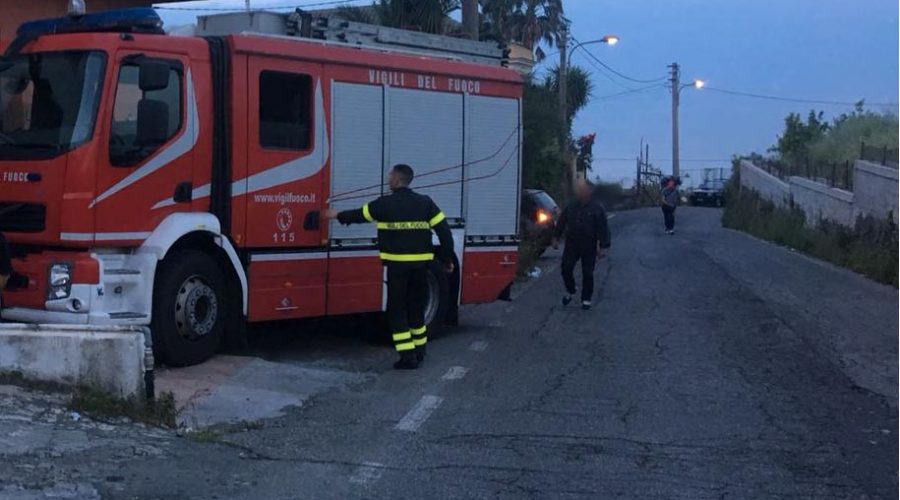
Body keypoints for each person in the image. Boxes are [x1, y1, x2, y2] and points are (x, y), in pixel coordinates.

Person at [324, 164, 454, 370]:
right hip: (422, 266)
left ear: (396, 179)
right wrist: (447, 259)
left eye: (390, 175)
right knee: (416, 308)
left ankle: (407, 357)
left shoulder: (385, 204)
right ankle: (420, 351)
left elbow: (359, 215)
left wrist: (335, 215)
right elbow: (444, 231)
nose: (387, 178)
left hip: (398, 267)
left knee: (397, 311)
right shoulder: (426, 203)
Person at [553, 180, 610, 310]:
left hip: (589, 244)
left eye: (582, 190)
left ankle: (586, 298)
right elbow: (562, 221)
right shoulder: (571, 206)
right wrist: (556, 237)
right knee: (566, 268)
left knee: (588, 272)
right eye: (578, 190)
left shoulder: (597, 208)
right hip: (572, 243)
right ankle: (571, 289)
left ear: (588, 192)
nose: (579, 193)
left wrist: (603, 246)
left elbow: (603, 228)